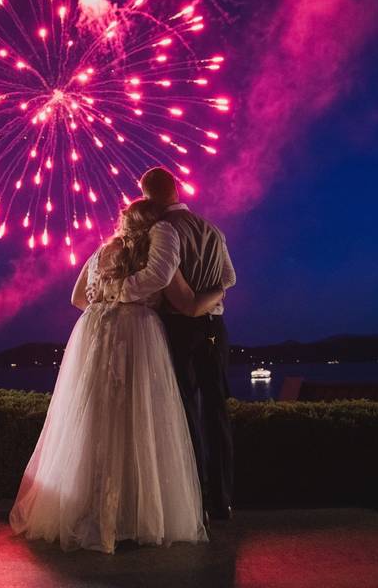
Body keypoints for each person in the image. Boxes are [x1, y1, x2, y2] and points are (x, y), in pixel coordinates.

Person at [10, 199, 224, 553]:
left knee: (94, 418)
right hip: (137, 333)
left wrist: (104, 304)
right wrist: (214, 292)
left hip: (95, 330)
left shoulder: (101, 251)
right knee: (137, 420)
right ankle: (131, 513)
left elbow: (78, 296)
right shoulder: (155, 254)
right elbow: (183, 302)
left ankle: (89, 508)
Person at [121, 167, 237, 521]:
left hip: (181, 327)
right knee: (216, 410)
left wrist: (191, 305)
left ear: (147, 193)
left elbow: (166, 278)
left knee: (184, 411)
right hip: (215, 326)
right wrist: (213, 299)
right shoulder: (213, 229)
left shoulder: (163, 230)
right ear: (177, 188)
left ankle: (195, 498)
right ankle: (222, 499)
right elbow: (230, 277)